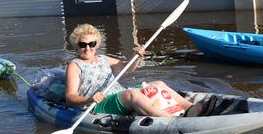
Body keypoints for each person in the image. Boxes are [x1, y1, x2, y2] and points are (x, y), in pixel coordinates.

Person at [65, 23, 205, 117]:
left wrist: (137, 57)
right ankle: (171, 120)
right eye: (83, 44)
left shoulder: (103, 58)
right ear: (76, 46)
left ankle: (189, 107)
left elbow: (128, 68)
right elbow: (70, 97)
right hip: (98, 104)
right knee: (132, 93)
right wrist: (90, 98)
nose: (88, 48)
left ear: (97, 45)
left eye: (92, 44)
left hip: (118, 95)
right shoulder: (74, 65)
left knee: (159, 84)